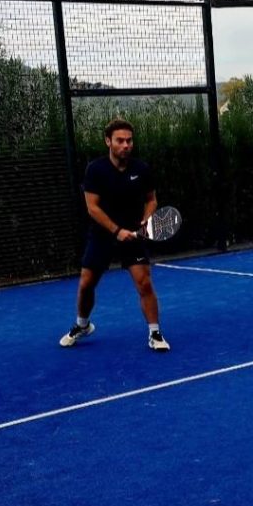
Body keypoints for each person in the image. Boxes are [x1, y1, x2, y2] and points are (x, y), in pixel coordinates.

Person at [60, 117, 170, 352]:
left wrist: (146, 219)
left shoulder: (141, 169)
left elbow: (151, 200)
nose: (126, 145)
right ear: (108, 141)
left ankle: (155, 333)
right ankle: (82, 325)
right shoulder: (96, 169)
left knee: (145, 283)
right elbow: (93, 208)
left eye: (129, 140)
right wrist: (117, 231)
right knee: (86, 284)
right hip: (103, 235)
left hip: (134, 235)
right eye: (120, 140)